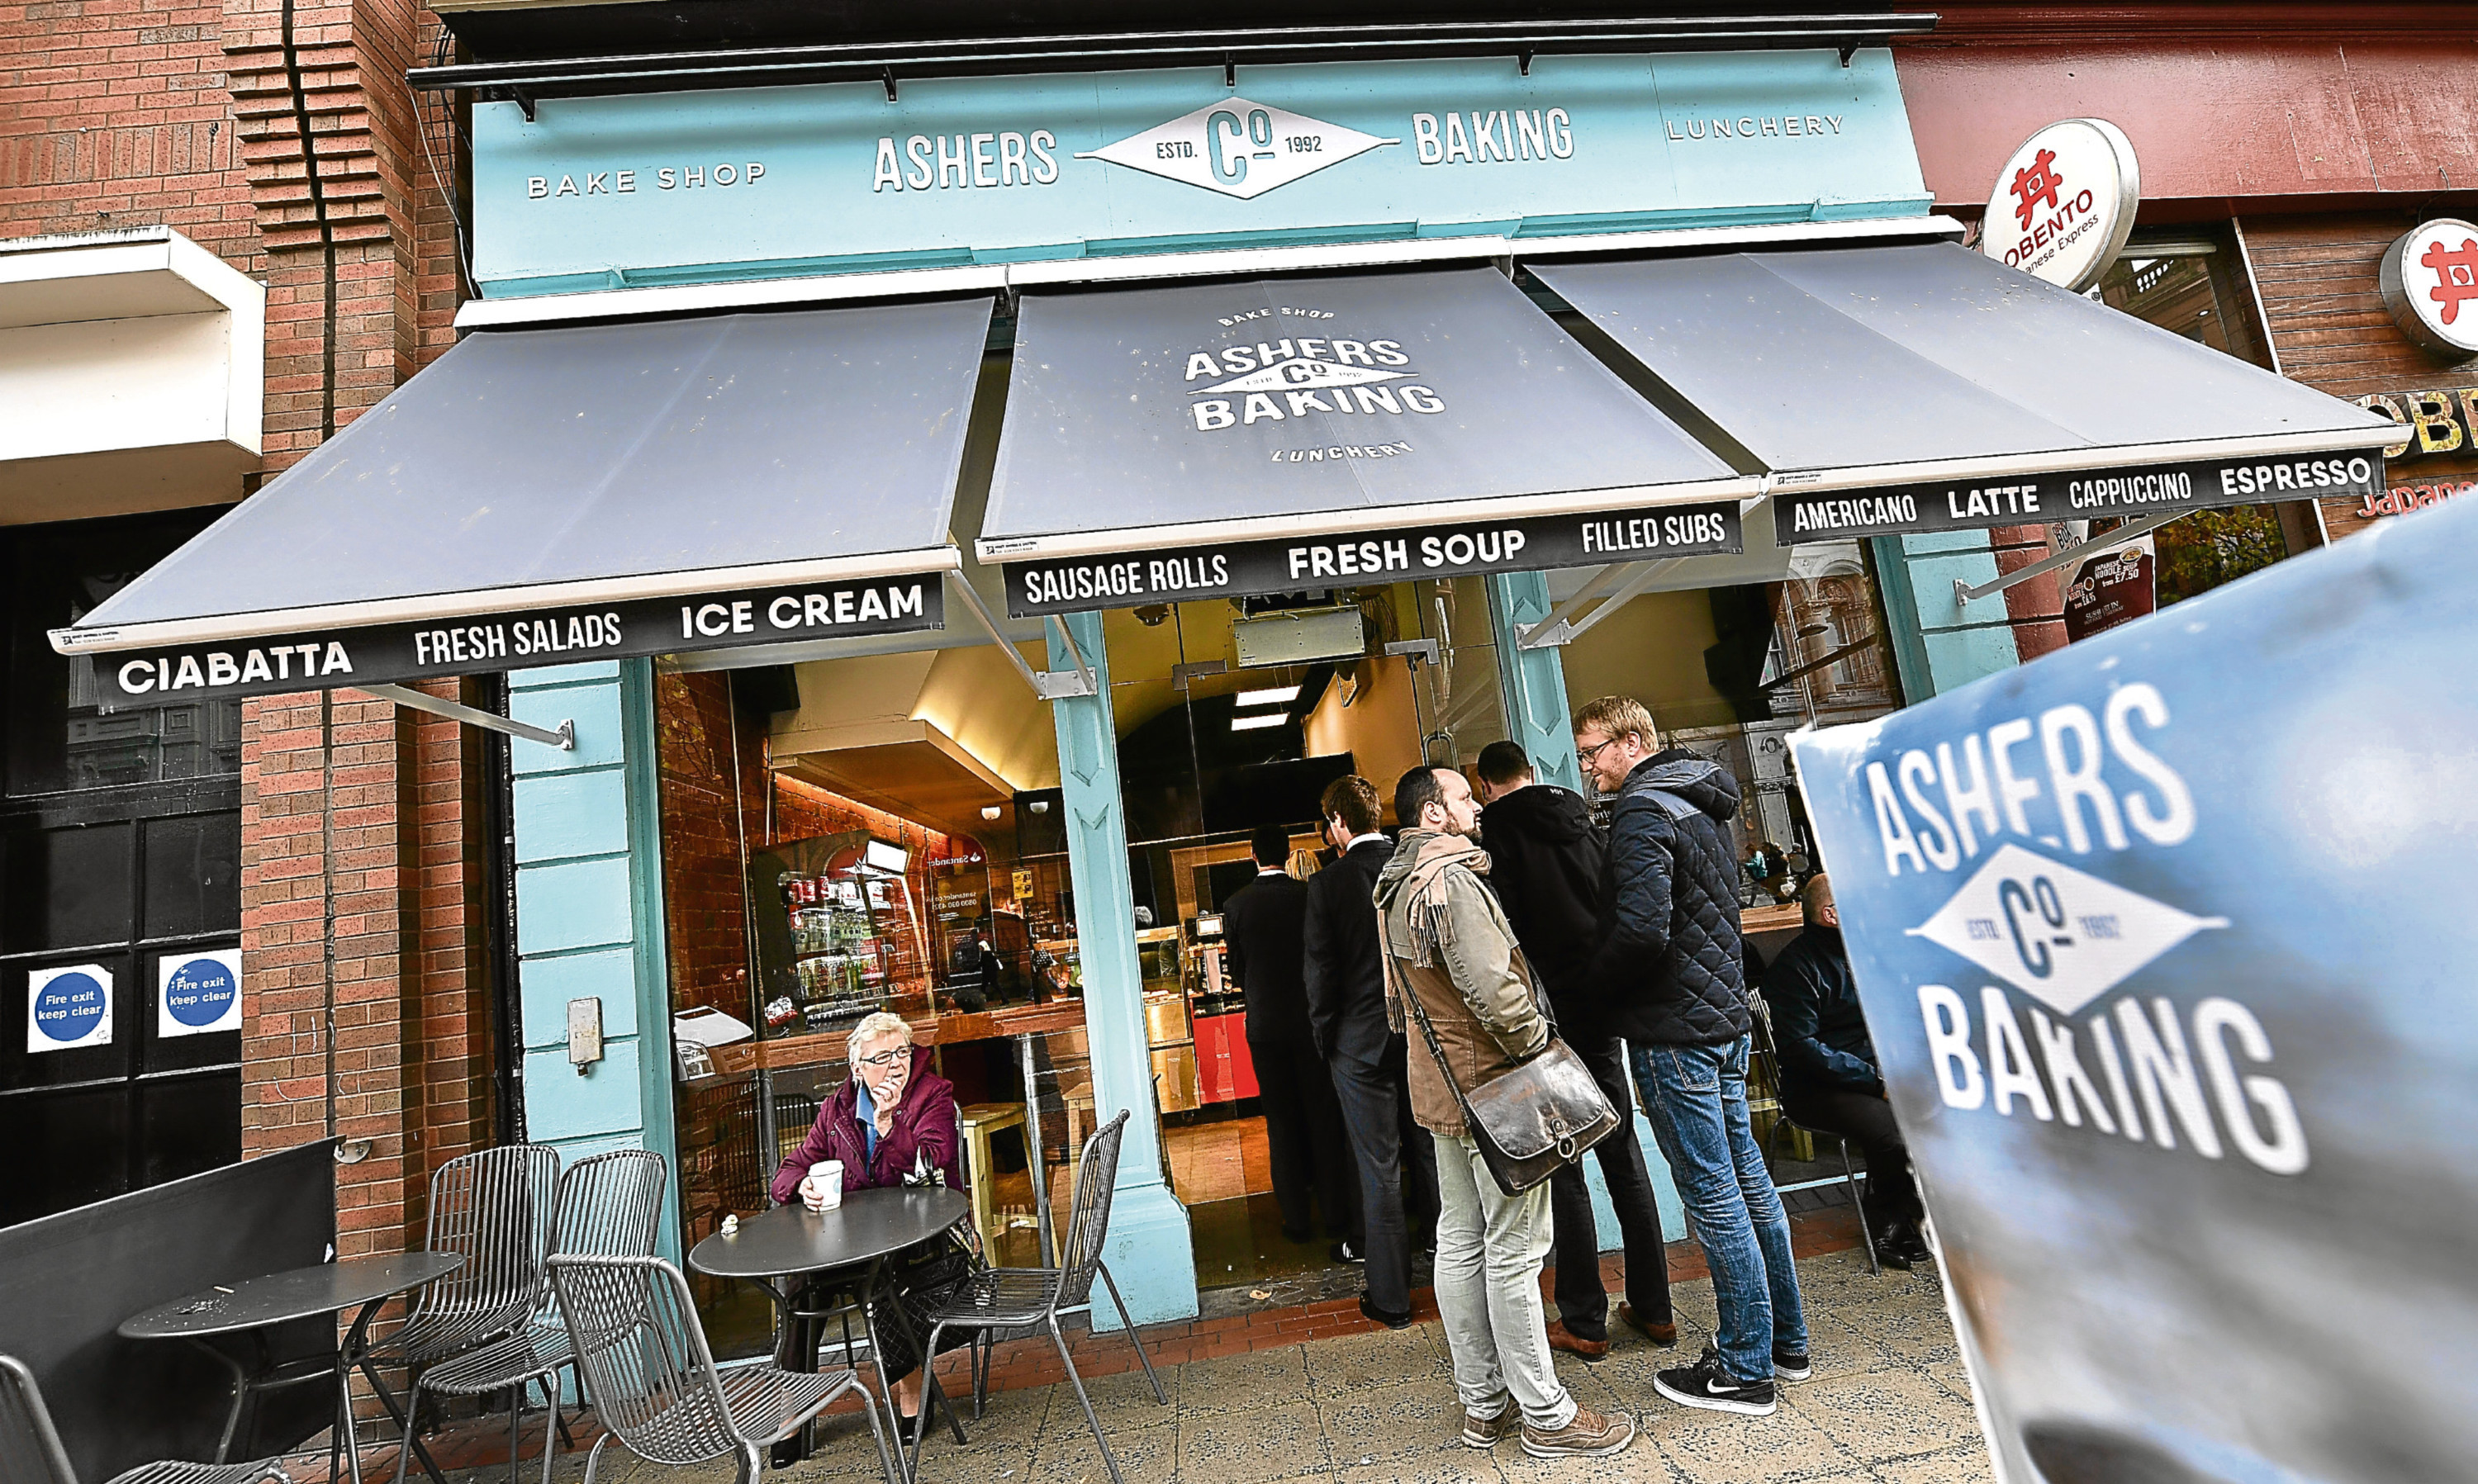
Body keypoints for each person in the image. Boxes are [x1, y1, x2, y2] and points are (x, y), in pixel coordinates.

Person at [1377, 763, 1635, 1458]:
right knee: (1515, 1250)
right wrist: (1540, 1049)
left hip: (1440, 1088)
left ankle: (1483, 1404)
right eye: (1462, 796)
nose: (1475, 805)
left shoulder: (1395, 882)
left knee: (1461, 1240)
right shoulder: (1452, 880)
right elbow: (1490, 986)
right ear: (1433, 813)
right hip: (1496, 1085)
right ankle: (1547, 1414)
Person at [1574, 695, 1807, 1418]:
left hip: (1674, 1032)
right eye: (1582, 755)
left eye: (1594, 751)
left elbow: (1643, 931)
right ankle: (1783, 1343)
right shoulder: (1701, 803)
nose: (1588, 767)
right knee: (1747, 1180)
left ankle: (1743, 1367)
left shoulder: (1644, 812)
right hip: (1723, 1022)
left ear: (1634, 740)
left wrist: (1592, 992)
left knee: (1713, 1194)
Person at [1473, 740, 1675, 1358]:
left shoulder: (1496, 843)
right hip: (1600, 1004)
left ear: (1485, 786)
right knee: (1621, 1146)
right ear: (1532, 774)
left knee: (1565, 1162)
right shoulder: (1583, 822)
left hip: (1547, 1018)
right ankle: (1655, 1306)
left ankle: (1584, 1319)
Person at [770, 1012, 976, 1440]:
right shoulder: (837, 1108)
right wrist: (802, 1185)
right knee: (799, 1281)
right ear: (858, 1068)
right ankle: (793, 1403)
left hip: (918, 1233)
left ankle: (912, 1389)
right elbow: (788, 1170)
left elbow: (932, 1161)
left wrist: (889, 1125)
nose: (896, 1064)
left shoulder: (932, 1094)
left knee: (893, 1267)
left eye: (902, 1052)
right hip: (847, 1238)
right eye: (882, 1057)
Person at [1303, 773, 1439, 1328]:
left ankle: (1391, 1297)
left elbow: (1321, 976)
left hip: (1358, 1044)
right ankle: (1451, 1263)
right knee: (1435, 1153)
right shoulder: (1414, 866)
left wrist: (1327, 1039)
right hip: (1421, 1032)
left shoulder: (1328, 884)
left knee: (1378, 1166)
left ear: (1338, 822)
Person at [1762, 873, 1931, 1268]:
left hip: (1875, 1074)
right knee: (1892, 1132)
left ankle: (1918, 1213)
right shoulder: (1797, 967)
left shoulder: (1868, 952)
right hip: (1816, 1087)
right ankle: (1887, 1222)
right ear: (1831, 914)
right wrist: (1875, 1081)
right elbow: (1802, 1049)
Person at [1222, 823, 1358, 1246]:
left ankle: (1296, 1221)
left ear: (1253, 855)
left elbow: (1238, 969)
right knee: (1322, 1118)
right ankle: (1336, 1215)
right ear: (1286, 852)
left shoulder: (1236, 904)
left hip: (1264, 1027)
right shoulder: (1308, 895)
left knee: (1280, 1123)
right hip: (1310, 1024)